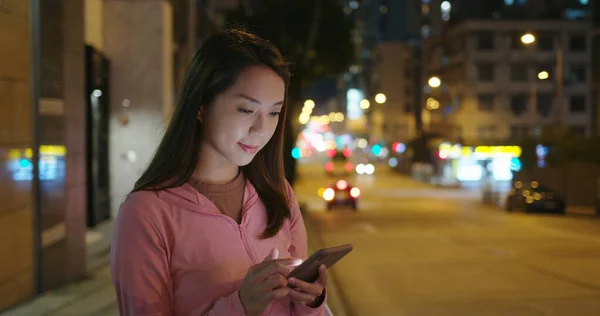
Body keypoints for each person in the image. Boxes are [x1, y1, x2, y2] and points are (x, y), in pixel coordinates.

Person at [110, 28, 328, 316]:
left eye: (273, 113)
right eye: (246, 110)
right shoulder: (147, 213)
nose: (261, 130)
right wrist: (240, 307)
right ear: (201, 106)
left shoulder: (278, 194)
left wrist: (311, 301)